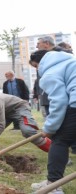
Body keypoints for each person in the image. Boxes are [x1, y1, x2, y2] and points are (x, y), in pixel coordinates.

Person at [29, 50, 76, 193]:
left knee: (60, 141)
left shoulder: (50, 73)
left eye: (35, 67)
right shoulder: (70, 62)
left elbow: (59, 102)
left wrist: (49, 129)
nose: (37, 70)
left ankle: (53, 184)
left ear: (40, 63)